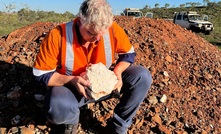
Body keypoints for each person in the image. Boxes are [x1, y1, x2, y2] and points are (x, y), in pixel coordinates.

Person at [32, 0, 152, 133]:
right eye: (91, 33)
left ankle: (118, 127)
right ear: (79, 21)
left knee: (142, 76)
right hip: (73, 90)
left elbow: (128, 54)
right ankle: (70, 124)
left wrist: (117, 73)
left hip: (104, 87)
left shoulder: (112, 29)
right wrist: (71, 80)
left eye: (102, 33)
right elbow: (41, 74)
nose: (97, 39)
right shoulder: (58, 35)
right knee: (57, 104)